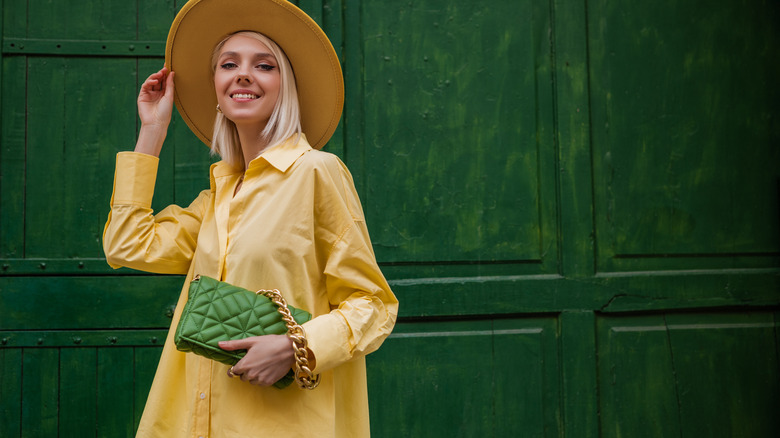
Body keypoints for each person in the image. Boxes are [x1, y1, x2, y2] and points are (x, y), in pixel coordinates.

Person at [102, 0, 398, 437]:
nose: (243, 74)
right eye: (228, 64)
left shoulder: (317, 172)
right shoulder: (218, 196)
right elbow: (127, 244)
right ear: (217, 87)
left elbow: (373, 305)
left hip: (282, 423)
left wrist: (296, 346)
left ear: (286, 87)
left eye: (264, 65)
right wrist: (152, 131)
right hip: (194, 421)